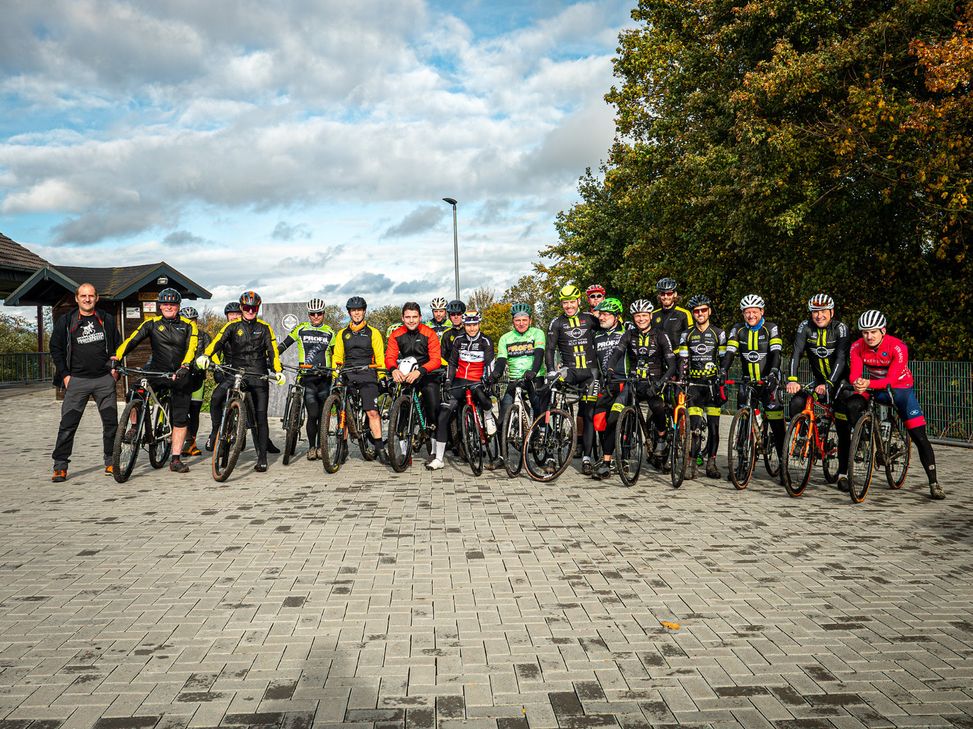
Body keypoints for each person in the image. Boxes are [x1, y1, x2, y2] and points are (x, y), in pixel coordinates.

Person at [848, 310, 945, 500]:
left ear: (883, 331)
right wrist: (857, 382)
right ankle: (864, 442)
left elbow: (891, 380)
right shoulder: (857, 346)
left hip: (900, 388)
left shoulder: (898, 347)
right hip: (875, 386)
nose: (869, 336)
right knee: (852, 405)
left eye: (873, 332)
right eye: (865, 332)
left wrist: (867, 383)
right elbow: (855, 374)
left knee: (919, 436)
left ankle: (934, 482)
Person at [198, 291, 285, 472]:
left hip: (258, 374)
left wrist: (278, 371)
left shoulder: (264, 327)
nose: (250, 311)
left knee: (260, 417)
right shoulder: (232, 326)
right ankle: (216, 431)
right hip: (236, 372)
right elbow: (217, 341)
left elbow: (272, 351)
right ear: (241, 307)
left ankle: (262, 457)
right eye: (246, 307)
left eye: (254, 308)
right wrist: (206, 355)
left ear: (257, 308)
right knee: (216, 397)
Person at [114, 288, 199, 473]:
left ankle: (175, 459)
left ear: (178, 306)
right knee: (134, 391)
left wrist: (185, 366)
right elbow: (132, 340)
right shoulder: (151, 323)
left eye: (172, 304)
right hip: (156, 372)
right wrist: (117, 357)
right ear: (160, 306)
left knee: (180, 418)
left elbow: (191, 347)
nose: (169, 307)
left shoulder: (188, 325)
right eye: (165, 304)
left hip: (180, 374)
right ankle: (134, 427)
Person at [50, 283, 121, 482]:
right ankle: (60, 466)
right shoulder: (66, 321)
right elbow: (55, 348)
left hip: (104, 381)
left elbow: (118, 345)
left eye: (91, 296)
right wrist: (65, 375)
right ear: (77, 298)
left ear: (96, 298)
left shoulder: (106, 319)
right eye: (83, 296)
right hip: (77, 381)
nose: (87, 299)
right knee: (68, 425)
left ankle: (111, 461)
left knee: (111, 424)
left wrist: (115, 369)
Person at [785, 294, 853, 489]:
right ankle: (802, 436)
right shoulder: (805, 327)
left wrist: (830, 383)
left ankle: (842, 474)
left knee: (842, 427)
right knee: (797, 402)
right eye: (815, 312)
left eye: (823, 311)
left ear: (831, 312)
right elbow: (797, 352)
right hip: (818, 381)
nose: (819, 315)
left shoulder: (840, 328)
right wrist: (792, 379)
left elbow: (841, 357)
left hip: (839, 382)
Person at [606, 299, 677, 463]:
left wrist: (661, 382)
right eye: (637, 316)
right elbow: (616, 354)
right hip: (633, 383)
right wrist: (609, 370)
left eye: (644, 315)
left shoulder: (660, 335)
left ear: (650, 316)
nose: (641, 319)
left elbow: (672, 365)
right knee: (613, 416)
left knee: (658, 407)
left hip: (653, 383)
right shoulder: (629, 334)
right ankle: (606, 461)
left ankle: (661, 436)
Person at [721, 294, 785, 469]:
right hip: (748, 381)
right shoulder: (738, 329)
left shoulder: (770, 328)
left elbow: (776, 353)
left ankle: (782, 462)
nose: (750, 315)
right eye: (747, 312)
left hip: (769, 380)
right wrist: (723, 370)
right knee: (743, 421)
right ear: (743, 313)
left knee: (776, 423)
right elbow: (730, 352)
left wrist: (773, 373)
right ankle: (743, 462)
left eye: (754, 311)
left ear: (762, 311)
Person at [427, 309, 496, 470]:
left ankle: (487, 415)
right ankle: (439, 459)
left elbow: (489, 363)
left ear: (479, 324)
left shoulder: (486, 341)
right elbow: (452, 363)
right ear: (464, 325)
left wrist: (489, 380)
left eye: (475, 325)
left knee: (482, 396)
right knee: (443, 414)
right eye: (468, 325)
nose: (472, 328)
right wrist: (448, 381)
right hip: (460, 380)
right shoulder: (458, 340)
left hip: (477, 380)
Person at [546, 284, 601, 474]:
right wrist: (551, 370)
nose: (568, 306)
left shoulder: (590, 319)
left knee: (588, 414)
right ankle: (551, 455)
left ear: (578, 301)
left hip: (590, 373)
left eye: (571, 302)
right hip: (569, 371)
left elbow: (609, 328)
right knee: (555, 407)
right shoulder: (557, 322)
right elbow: (549, 349)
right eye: (564, 303)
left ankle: (587, 458)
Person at [330, 296, 388, 462]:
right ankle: (343, 447)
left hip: (367, 372)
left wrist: (381, 375)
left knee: (372, 412)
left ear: (364, 311)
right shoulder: (342, 334)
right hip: (348, 372)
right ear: (349, 313)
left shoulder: (373, 333)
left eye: (359, 310)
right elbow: (337, 356)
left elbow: (379, 356)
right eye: (353, 310)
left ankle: (380, 448)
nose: (356, 313)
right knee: (343, 411)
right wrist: (336, 375)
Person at [277, 298, 335, 460]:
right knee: (313, 414)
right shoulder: (301, 329)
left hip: (324, 378)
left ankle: (321, 446)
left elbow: (337, 354)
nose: (316, 316)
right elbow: (284, 345)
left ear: (323, 314)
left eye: (319, 313)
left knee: (323, 415)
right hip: (307, 377)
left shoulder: (330, 332)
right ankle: (311, 447)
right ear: (308, 314)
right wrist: (273, 358)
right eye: (312, 314)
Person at [677, 294, 726, 479]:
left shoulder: (719, 333)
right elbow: (683, 360)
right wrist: (682, 379)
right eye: (696, 311)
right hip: (695, 386)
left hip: (712, 386)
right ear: (692, 313)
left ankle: (711, 464)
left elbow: (724, 359)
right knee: (694, 428)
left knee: (713, 428)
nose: (700, 313)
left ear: (709, 311)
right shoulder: (686, 334)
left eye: (703, 310)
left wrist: (722, 376)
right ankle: (691, 464)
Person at [386, 301, 442, 432]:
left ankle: (433, 432)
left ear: (420, 317)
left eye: (414, 317)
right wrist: (393, 369)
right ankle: (401, 436)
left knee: (432, 402)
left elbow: (436, 360)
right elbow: (390, 357)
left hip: (427, 372)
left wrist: (420, 371)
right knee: (402, 405)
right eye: (408, 317)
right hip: (406, 372)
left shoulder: (429, 333)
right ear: (402, 318)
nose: (411, 321)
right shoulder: (396, 334)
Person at [589, 298, 626, 480]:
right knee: (599, 422)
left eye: (605, 314)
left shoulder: (626, 332)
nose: (601, 317)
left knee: (614, 419)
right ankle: (607, 454)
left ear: (616, 316)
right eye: (600, 314)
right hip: (605, 384)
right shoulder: (597, 336)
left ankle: (613, 460)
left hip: (623, 382)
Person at [493, 303, 546, 431]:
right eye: (518, 320)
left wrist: (533, 371)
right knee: (503, 417)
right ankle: (503, 443)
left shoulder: (537, 333)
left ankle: (544, 431)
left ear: (530, 320)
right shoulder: (505, 338)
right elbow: (501, 361)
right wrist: (495, 374)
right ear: (513, 321)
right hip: (515, 379)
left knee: (537, 405)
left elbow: (539, 355)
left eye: (524, 320)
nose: (521, 323)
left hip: (534, 376)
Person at [180, 306, 208, 457]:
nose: (191, 322)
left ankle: (192, 443)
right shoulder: (178, 335)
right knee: (182, 410)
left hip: (197, 378)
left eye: (193, 320)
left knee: (195, 411)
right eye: (187, 320)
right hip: (182, 378)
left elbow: (210, 352)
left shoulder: (204, 336)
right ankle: (185, 439)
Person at [652, 277, 692, 346]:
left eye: (669, 293)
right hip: (658, 352)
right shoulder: (653, 314)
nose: (665, 297)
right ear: (659, 295)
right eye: (662, 294)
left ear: (675, 294)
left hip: (678, 352)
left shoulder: (684, 314)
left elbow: (690, 337)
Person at [439, 299, 466, 366]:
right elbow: (441, 355)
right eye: (453, 314)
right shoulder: (446, 334)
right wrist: (449, 366)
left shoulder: (469, 332)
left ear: (463, 315)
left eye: (459, 314)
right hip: (450, 368)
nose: (456, 317)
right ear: (449, 317)